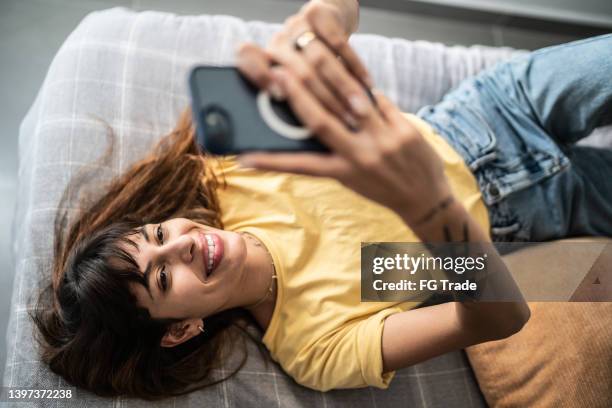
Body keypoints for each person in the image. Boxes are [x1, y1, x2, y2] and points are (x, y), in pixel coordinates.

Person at [32, 0, 610, 401]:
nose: (183, 244)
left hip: (487, 112)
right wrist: (430, 207)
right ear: (180, 330)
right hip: (537, 218)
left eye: (159, 235)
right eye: (162, 280)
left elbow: (343, 14)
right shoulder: (315, 345)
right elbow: (501, 316)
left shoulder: (231, 172)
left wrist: (322, 22)